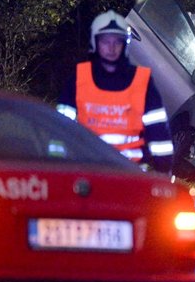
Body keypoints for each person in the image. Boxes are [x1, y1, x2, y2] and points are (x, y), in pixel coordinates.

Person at [57, 10, 174, 173]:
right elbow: (59, 126)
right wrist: (56, 164)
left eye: (117, 42)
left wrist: (164, 172)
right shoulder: (79, 79)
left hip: (124, 172)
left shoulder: (143, 84)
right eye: (106, 42)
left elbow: (159, 134)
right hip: (83, 166)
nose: (111, 48)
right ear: (95, 43)